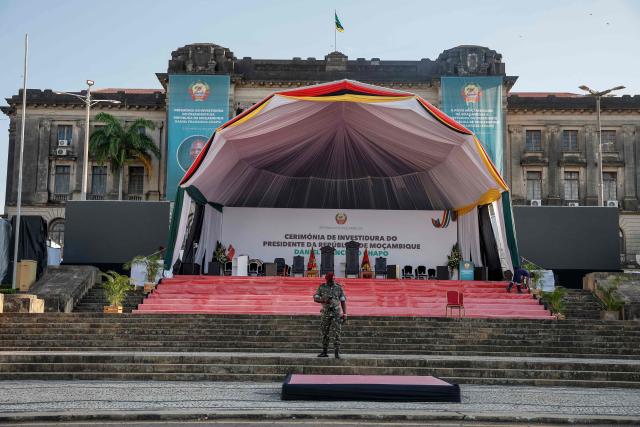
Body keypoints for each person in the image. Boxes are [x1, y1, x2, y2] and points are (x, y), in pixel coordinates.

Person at [313, 272, 347, 359]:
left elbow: (343, 300)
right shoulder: (322, 287)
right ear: (326, 279)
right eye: (330, 279)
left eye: (333, 279)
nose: (332, 281)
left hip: (336, 313)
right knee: (325, 332)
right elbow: (315, 298)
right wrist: (323, 300)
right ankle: (324, 351)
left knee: (337, 332)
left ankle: (337, 352)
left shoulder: (339, 287)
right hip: (326, 313)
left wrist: (345, 313)